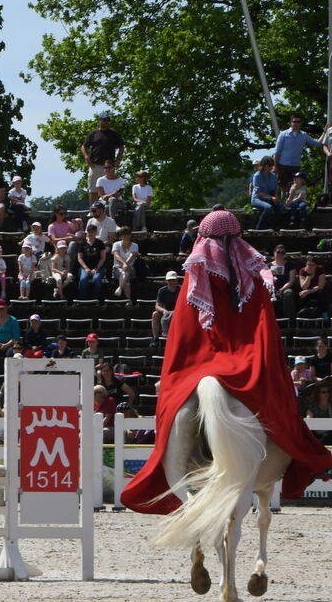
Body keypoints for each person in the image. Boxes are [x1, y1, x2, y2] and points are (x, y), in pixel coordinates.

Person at [122, 210, 332, 513]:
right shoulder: (254, 278)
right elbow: (266, 334)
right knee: (282, 396)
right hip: (246, 364)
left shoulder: (193, 280)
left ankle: (166, 466)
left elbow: (180, 342)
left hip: (197, 367)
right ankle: (295, 456)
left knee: (169, 399)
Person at [273, 114, 327, 192]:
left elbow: (317, 144)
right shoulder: (283, 134)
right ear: (290, 122)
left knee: (294, 187)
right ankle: (283, 200)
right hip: (283, 165)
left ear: (300, 123)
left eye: (298, 122)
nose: (296, 123)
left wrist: (324, 131)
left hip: (295, 165)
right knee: (283, 187)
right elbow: (277, 151)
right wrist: (275, 165)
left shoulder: (304, 135)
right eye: (294, 121)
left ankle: (290, 200)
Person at [80, 110, 124, 204]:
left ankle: (108, 209)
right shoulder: (93, 133)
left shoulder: (113, 133)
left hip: (109, 167)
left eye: (107, 120)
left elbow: (121, 146)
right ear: (99, 121)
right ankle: (93, 210)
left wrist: (118, 159)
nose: (105, 122)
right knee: (93, 190)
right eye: (103, 120)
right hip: (95, 165)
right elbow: (84, 146)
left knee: (110, 189)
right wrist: (87, 157)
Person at [72, 222, 106, 300]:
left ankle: (96, 299)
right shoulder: (82, 244)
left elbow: (103, 258)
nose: (90, 233)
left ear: (96, 232)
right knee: (83, 280)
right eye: (89, 231)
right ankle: (82, 299)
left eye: (92, 232)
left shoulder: (100, 243)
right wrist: (86, 268)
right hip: (84, 268)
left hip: (98, 268)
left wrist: (96, 269)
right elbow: (79, 258)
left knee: (96, 279)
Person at [250, 155, 281, 230]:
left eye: (272, 165)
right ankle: (259, 228)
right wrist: (271, 197)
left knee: (280, 207)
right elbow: (258, 192)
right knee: (268, 207)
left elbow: (274, 191)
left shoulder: (273, 176)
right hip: (257, 199)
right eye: (269, 165)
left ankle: (273, 227)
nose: (271, 167)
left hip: (269, 198)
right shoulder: (257, 176)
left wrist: (276, 198)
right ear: (264, 165)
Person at [110, 226, 139, 299]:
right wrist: (124, 264)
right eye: (123, 234)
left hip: (130, 268)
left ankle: (120, 287)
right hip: (117, 269)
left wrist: (125, 264)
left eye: (127, 234)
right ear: (120, 236)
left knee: (126, 271)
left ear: (130, 235)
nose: (126, 236)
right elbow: (116, 256)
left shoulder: (135, 245)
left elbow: (132, 256)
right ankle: (128, 300)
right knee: (126, 276)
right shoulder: (116, 244)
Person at [152, 270, 181, 342]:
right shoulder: (162, 290)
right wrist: (163, 310)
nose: (171, 282)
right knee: (155, 314)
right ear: (166, 281)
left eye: (173, 280)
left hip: (179, 311)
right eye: (169, 280)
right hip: (166, 311)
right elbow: (157, 306)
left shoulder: (181, 289)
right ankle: (155, 339)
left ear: (176, 280)